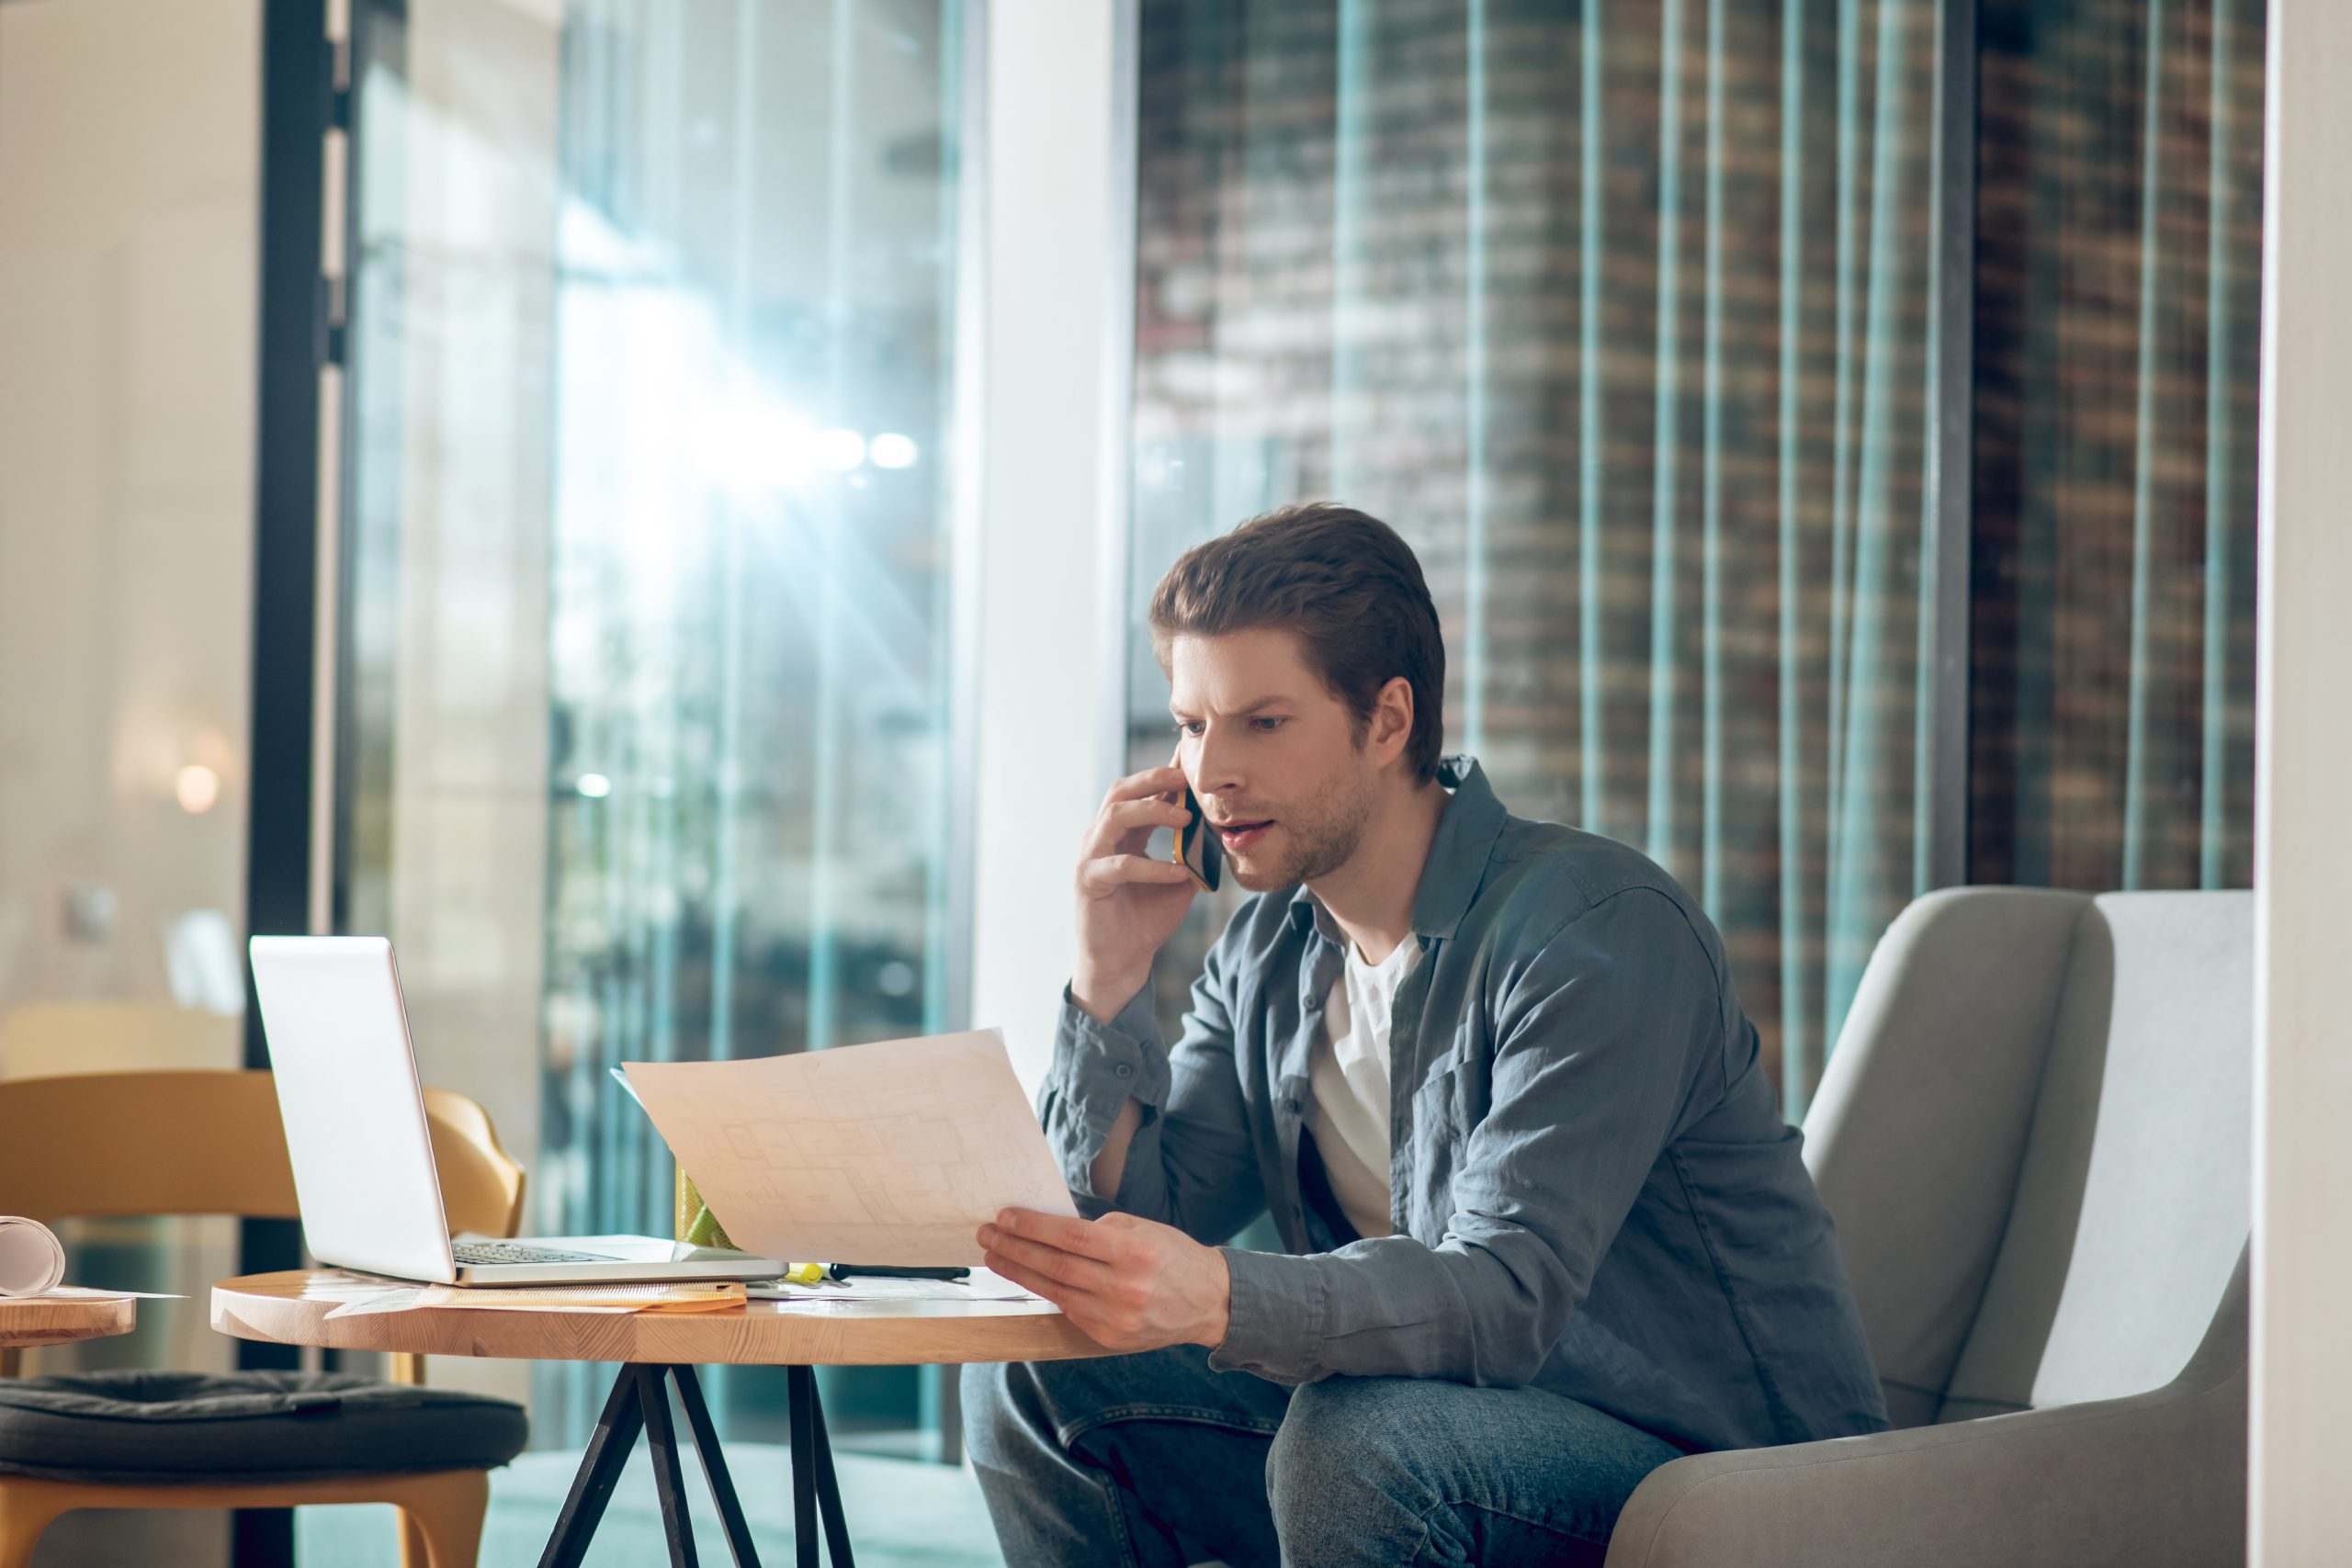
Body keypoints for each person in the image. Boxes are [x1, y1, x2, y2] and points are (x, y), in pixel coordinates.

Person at [963, 503, 1887, 1567]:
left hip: (1718, 1477)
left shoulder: (1594, 930)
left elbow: (1504, 1295)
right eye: (1189, 722)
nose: (1208, 771)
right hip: (1434, 1435)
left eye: (1262, 722)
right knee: (1040, 1370)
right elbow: (1134, 1232)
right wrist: (1110, 978)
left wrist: (1217, 1294)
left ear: (1389, 720)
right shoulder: (1266, 953)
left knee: (1364, 1435)